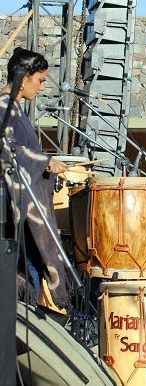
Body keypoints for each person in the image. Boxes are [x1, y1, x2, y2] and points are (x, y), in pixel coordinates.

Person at [1, 48, 68, 307]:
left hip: (27, 202)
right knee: (27, 272)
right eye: (40, 80)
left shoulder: (16, 108)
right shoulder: (3, 106)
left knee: (34, 269)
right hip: (16, 207)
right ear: (24, 76)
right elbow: (8, 148)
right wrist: (45, 160)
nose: (41, 87)